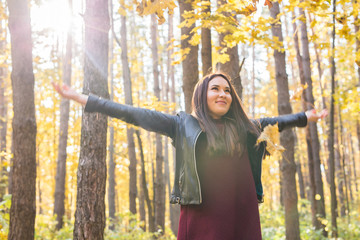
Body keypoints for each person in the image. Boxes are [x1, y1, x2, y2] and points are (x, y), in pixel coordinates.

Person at [52, 72, 327, 240]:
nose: (223, 94)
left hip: (241, 212)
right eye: (215, 89)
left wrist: (305, 117)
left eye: (227, 90)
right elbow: (134, 113)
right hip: (203, 215)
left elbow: (276, 121)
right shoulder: (183, 124)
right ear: (202, 95)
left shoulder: (244, 127)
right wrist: (83, 99)